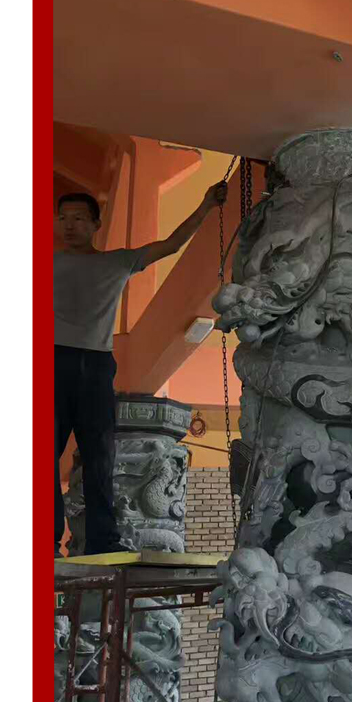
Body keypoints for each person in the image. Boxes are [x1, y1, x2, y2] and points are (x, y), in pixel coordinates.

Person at [55, 181, 227, 556]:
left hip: (96, 365)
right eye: (63, 218)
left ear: (96, 224)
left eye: (79, 218)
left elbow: (171, 245)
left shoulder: (117, 261)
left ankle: (102, 541)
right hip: (51, 361)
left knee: (100, 457)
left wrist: (205, 206)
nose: (69, 225)